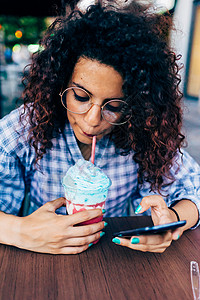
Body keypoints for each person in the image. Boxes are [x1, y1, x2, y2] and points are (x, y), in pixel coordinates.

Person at [0, 0, 199, 255]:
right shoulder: (25, 129)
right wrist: (21, 231)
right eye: (81, 98)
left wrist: (172, 220)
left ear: (135, 105)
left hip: (110, 259)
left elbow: (194, 187)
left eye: (113, 107)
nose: (93, 120)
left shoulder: (141, 133)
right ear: (59, 84)